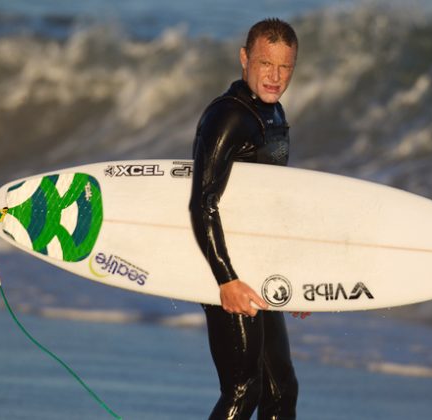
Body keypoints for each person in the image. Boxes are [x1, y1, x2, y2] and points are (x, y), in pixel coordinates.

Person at [189, 18, 302, 420]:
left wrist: (293, 281)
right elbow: (202, 202)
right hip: (226, 269)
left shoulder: (271, 113)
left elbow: (267, 207)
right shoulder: (228, 116)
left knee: (281, 389)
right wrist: (225, 279)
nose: (274, 77)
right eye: (265, 64)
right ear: (244, 59)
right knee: (243, 389)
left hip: (255, 268)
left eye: (284, 67)